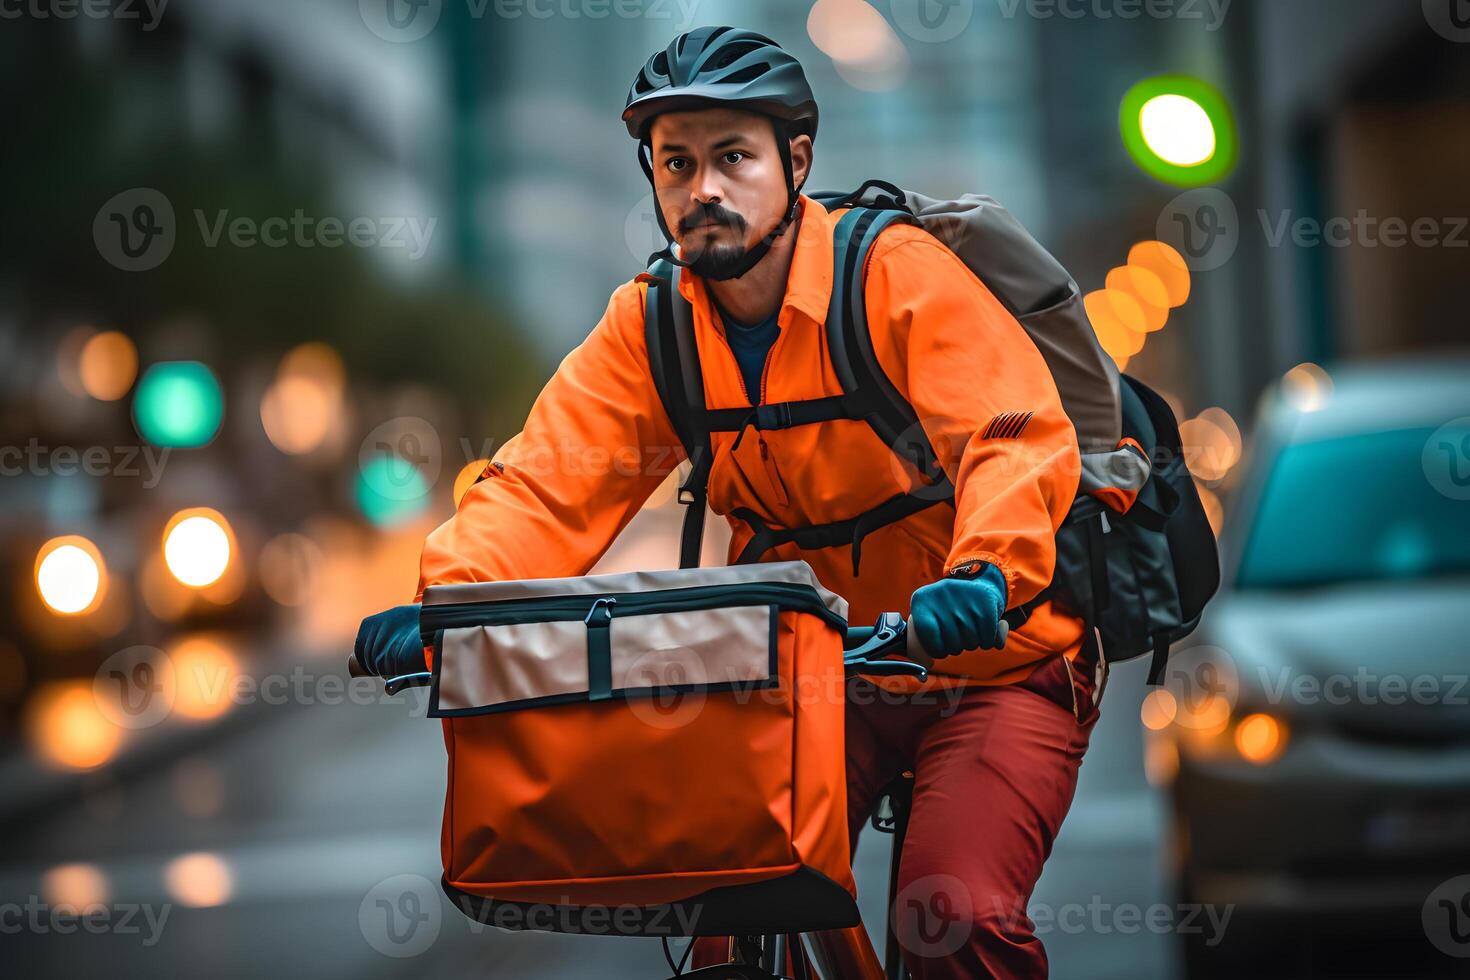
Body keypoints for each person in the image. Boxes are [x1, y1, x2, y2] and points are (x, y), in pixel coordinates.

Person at [356, 26, 1102, 979]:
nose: (701, 187)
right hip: (827, 670)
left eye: (732, 157)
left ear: (796, 162)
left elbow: (1008, 432)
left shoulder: (892, 275)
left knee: (950, 910)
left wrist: (986, 571)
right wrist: (446, 606)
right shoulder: (654, 325)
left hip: (996, 659)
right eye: (676, 163)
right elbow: (545, 482)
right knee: (724, 888)